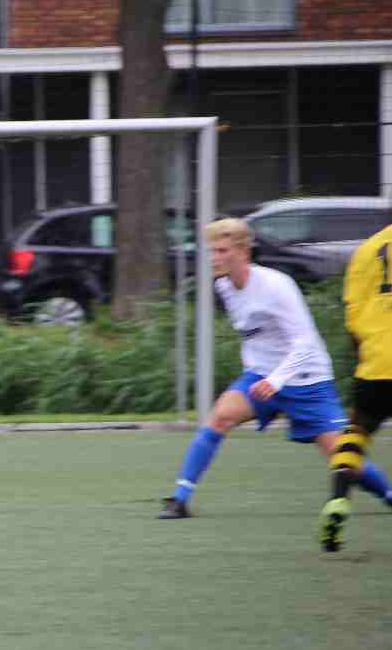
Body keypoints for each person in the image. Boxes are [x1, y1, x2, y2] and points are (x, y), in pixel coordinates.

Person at [158, 218, 392, 519]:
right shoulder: (224, 286)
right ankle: (179, 500)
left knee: (341, 454)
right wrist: (260, 373)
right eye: (211, 251)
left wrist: (277, 380)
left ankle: (388, 494)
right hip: (261, 377)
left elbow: (305, 342)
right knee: (219, 417)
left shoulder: (276, 286)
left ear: (243, 252)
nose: (214, 258)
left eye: (222, 251)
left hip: (306, 378)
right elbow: (256, 336)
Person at [318, 221, 392, 550]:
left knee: (356, 431)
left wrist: (364, 358)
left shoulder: (366, 250)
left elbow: (353, 316)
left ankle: (338, 499)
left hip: (375, 363)